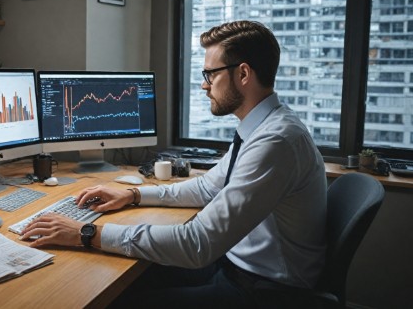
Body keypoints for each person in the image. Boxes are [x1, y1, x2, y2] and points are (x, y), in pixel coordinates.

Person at [19, 20, 327, 308]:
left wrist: (86, 232)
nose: (204, 85)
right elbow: (209, 186)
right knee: (122, 277)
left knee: (117, 297)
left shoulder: (276, 142)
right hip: (235, 265)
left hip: (264, 289)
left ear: (243, 74)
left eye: (210, 74)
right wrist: (134, 195)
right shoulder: (261, 127)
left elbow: (198, 243)